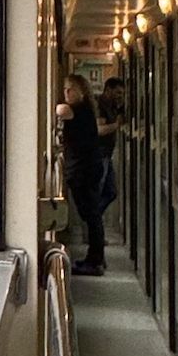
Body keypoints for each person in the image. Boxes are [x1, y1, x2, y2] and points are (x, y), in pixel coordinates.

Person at [57, 73, 107, 276]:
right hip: (85, 168)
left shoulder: (79, 109)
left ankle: (95, 260)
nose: (66, 93)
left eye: (71, 89)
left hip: (83, 170)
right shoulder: (85, 110)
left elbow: (60, 110)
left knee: (91, 215)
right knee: (91, 215)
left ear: (82, 92)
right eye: (64, 90)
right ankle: (96, 257)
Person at [96, 74, 129, 221]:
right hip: (99, 154)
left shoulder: (112, 106)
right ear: (108, 90)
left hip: (106, 155)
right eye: (117, 93)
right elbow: (100, 129)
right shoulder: (100, 105)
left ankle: (94, 220)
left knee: (111, 192)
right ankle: (92, 223)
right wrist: (116, 125)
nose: (119, 96)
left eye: (122, 94)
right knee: (100, 190)